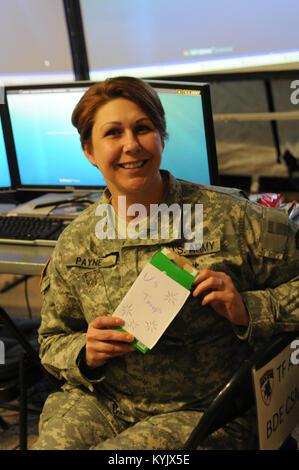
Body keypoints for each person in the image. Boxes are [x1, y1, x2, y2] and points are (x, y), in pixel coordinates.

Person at [32, 76, 299, 450]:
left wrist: (247, 308)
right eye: (113, 133)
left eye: (143, 128)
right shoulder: (77, 240)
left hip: (206, 408)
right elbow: (52, 340)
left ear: (161, 137)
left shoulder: (235, 219)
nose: (131, 145)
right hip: (104, 401)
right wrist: (85, 352)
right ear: (89, 151)